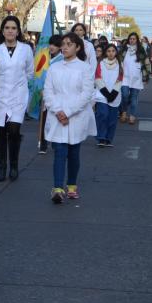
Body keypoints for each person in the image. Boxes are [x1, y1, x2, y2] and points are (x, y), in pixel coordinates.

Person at [43, 32, 97, 203]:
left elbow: (86, 94)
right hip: (57, 115)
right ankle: (58, 188)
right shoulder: (53, 68)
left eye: (69, 44)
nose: (65, 47)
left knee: (73, 152)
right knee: (59, 151)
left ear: (78, 47)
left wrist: (67, 112)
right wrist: (58, 111)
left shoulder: (85, 68)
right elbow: (48, 92)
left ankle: (72, 185)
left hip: (76, 116)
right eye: (63, 44)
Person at [0, 16, 34, 182]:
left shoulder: (26, 49)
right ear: (2, 30)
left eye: (13, 28)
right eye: (7, 27)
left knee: (14, 131)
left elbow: (30, 72)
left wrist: (21, 87)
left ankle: (14, 166)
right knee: (1, 132)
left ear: (18, 31)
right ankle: (1, 167)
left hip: (18, 96)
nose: (10, 30)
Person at [38, 34, 64, 154]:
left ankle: (54, 141)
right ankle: (43, 142)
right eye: (51, 44)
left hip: (57, 94)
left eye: (55, 45)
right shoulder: (45, 58)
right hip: (44, 92)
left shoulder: (62, 60)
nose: (52, 47)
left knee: (54, 118)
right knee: (43, 119)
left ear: (60, 47)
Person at [94, 44, 123, 147]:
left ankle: (108, 139)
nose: (111, 53)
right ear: (105, 52)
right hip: (102, 94)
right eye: (109, 51)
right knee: (103, 115)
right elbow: (97, 78)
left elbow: (120, 79)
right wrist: (106, 93)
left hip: (115, 95)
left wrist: (113, 94)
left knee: (112, 119)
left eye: (113, 51)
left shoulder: (120, 64)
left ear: (116, 52)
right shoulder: (100, 63)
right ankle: (101, 138)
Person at [118, 32, 148, 125]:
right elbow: (118, 60)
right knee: (125, 95)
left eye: (134, 39)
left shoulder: (141, 50)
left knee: (134, 98)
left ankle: (132, 116)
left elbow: (146, 64)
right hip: (125, 77)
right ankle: (124, 112)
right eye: (130, 39)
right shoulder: (124, 49)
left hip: (136, 78)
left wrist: (145, 77)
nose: (132, 40)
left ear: (137, 40)